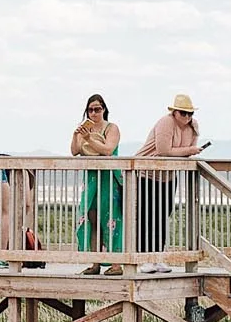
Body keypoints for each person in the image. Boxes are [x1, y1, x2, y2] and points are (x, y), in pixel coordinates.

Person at [135, 92, 203, 256]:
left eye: (190, 113)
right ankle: (144, 255)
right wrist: (189, 150)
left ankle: (158, 254)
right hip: (147, 174)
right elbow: (163, 150)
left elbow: (186, 152)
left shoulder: (192, 127)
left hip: (168, 176)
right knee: (147, 214)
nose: (187, 117)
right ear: (174, 112)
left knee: (163, 214)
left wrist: (190, 149)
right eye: (183, 113)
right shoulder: (166, 122)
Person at [72, 93, 123, 255]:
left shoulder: (111, 128)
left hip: (109, 178)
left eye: (97, 109)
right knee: (92, 219)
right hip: (91, 179)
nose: (94, 113)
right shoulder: (85, 129)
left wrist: (90, 139)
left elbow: (108, 150)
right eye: (90, 110)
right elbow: (75, 151)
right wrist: (77, 135)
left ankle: (115, 263)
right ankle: (95, 260)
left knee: (111, 219)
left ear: (104, 109)